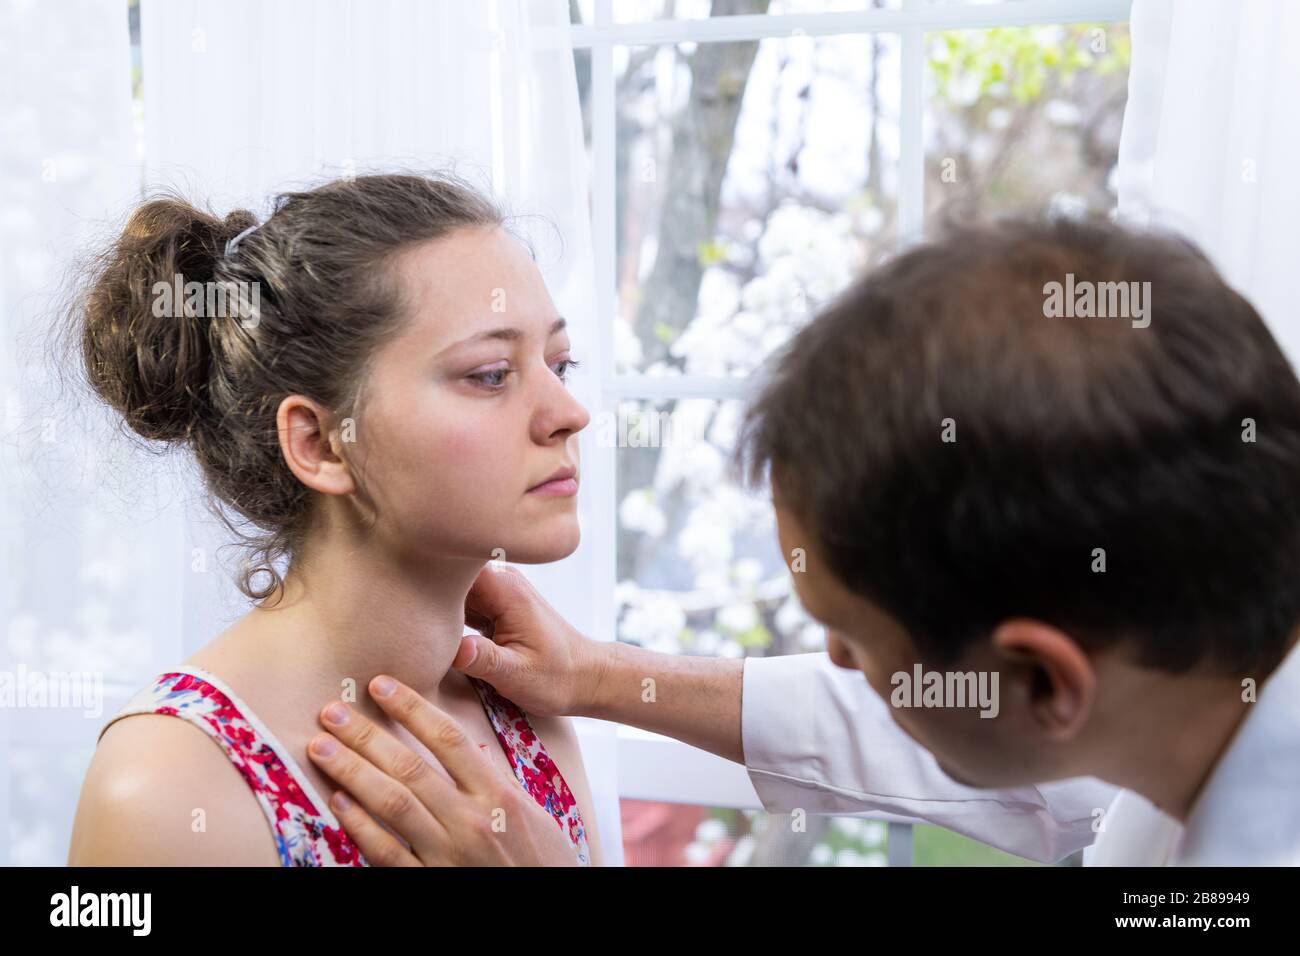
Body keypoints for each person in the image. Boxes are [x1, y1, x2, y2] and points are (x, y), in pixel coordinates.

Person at [303, 215, 1300, 866]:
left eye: (855, 640)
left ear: (1044, 680)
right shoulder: (1193, 685)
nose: (839, 665)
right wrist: (601, 677)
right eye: (489, 371)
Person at [65, 172, 603, 867]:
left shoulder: (524, 719)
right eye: (492, 374)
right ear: (320, 444)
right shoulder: (167, 786)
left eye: (561, 363)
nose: (570, 412)